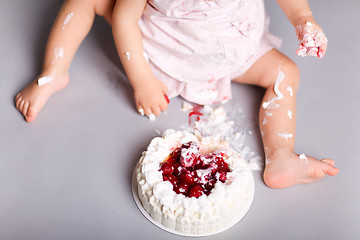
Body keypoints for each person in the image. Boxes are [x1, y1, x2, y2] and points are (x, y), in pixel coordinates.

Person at [15, 0, 339, 188]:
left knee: (286, 73)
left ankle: (280, 156)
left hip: (228, 54)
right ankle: (52, 73)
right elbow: (126, 20)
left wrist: (304, 19)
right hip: (162, 59)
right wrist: (142, 81)